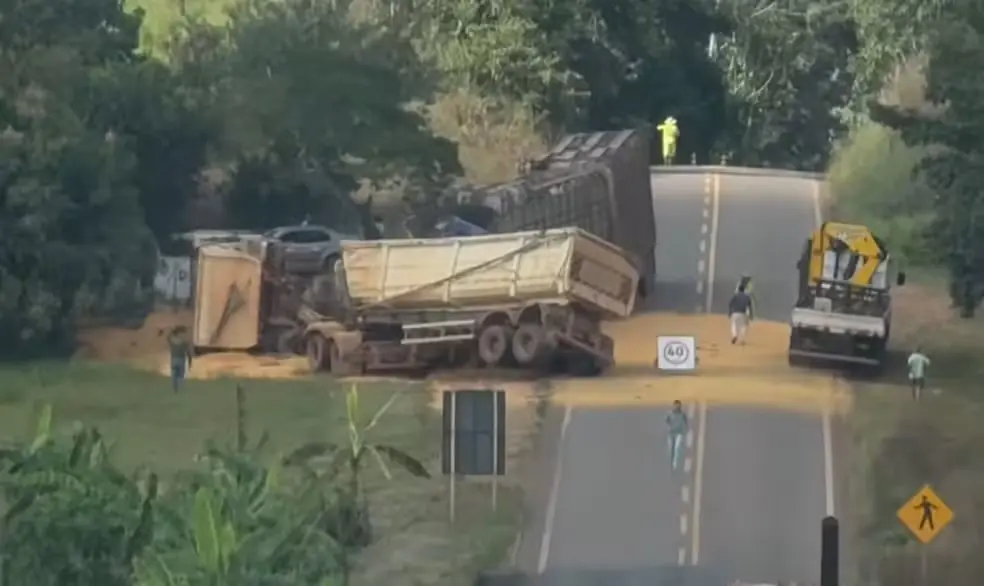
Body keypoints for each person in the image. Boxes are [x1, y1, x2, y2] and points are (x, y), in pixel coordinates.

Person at [168, 326, 194, 393]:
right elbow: (189, 354)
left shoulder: (172, 341)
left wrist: (175, 330)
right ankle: (181, 391)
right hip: (181, 360)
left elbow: (169, 336)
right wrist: (190, 364)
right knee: (181, 376)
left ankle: (174, 390)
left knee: (174, 376)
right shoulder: (184, 343)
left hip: (173, 360)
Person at [665, 400, 689, 471]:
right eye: (676, 405)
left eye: (678, 405)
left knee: (677, 448)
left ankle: (674, 464)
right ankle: (672, 461)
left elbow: (685, 422)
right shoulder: (670, 413)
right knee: (671, 449)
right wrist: (670, 426)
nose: (677, 407)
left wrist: (685, 430)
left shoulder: (683, 414)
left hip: (679, 433)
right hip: (671, 433)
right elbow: (667, 420)